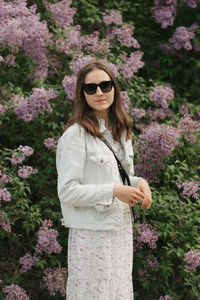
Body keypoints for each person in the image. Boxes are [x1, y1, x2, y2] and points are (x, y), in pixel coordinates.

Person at [56, 60, 152, 300]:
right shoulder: (76, 135)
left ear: (114, 89)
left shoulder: (121, 130)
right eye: (91, 88)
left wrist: (139, 182)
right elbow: (67, 191)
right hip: (91, 235)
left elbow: (118, 177)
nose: (99, 92)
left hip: (119, 231)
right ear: (83, 94)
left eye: (105, 85)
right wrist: (113, 191)